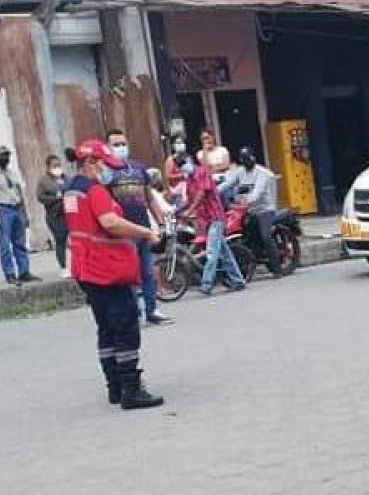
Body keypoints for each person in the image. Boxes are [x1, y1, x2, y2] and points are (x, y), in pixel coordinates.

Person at [64, 140, 164, 410]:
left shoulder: (72, 190)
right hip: (106, 269)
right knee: (125, 327)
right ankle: (131, 389)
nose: (109, 171)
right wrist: (145, 232)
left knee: (106, 329)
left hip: (87, 269)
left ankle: (115, 386)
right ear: (91, 163)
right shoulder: (94, 191)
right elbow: (110, 222)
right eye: (106, 165)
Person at [105, 129, 172, 326]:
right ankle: (132, 312)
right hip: (123, 231)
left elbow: (150, 199)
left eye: (122, 143)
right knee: (129, 275)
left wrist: (160, 223)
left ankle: (152, 310)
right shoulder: (107, 173)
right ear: (108, 148)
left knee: (148, 272)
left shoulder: (138, 169)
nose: (120, 148)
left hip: (144, 227)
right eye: (115, 145)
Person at [178, 155, 247, 294]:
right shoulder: (189, 179)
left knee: (212, 252)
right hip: (206, 219)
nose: (183, 167)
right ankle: (238, 280)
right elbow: (189, 200)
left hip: (215, 216)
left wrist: (189, 211)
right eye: (180, 166)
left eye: (183, 164)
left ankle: (207, 283)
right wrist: (176, 211)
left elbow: (201, 194)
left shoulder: (202, 172)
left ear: (190, 161)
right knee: (223, 251)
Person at [0, 145, 40, 286]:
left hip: (16, 209)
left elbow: (20, 193)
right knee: (5, 245)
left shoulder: (12, 173)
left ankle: (24, 271)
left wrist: (24, 213)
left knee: (20, 243)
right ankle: (10, 274)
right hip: (2, 209)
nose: (5, 158)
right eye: (2, 155)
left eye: (7, 155)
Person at [221, 147, 282, 275]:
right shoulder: (240, 172)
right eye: (244, 160)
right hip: (247, 210)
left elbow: (257, 193)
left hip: (264, 210)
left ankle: (276, 267)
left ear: (253, 158)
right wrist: (213, 192)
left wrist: (246, 202)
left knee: (265, 236)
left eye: (248, 158)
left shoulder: (262, 173)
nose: (247, 162)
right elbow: (227, 184)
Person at [36, 154, 69, 279]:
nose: (57, 168)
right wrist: (56, 197)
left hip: (68, 214)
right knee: (60, 241)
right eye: (55, 166)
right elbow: (40, 197)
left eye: (59, 165)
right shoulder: (43, 181)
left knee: (76, 241)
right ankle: (63, 267)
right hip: (55, 216)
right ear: (48, 167)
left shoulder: (65, 178)